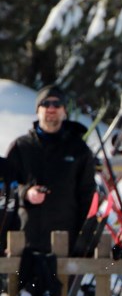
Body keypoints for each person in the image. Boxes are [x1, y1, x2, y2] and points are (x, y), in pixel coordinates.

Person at [7, 86, 97, 254]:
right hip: (24, 243)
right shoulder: (21, 147)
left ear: (64, 111)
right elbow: (5, 187)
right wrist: (25, 193)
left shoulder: (78, 149)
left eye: (57, 104)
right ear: (37, 110)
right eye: (45, 103)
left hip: (64, 244)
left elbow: (87, 195)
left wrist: (84, 238)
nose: (51, 108)